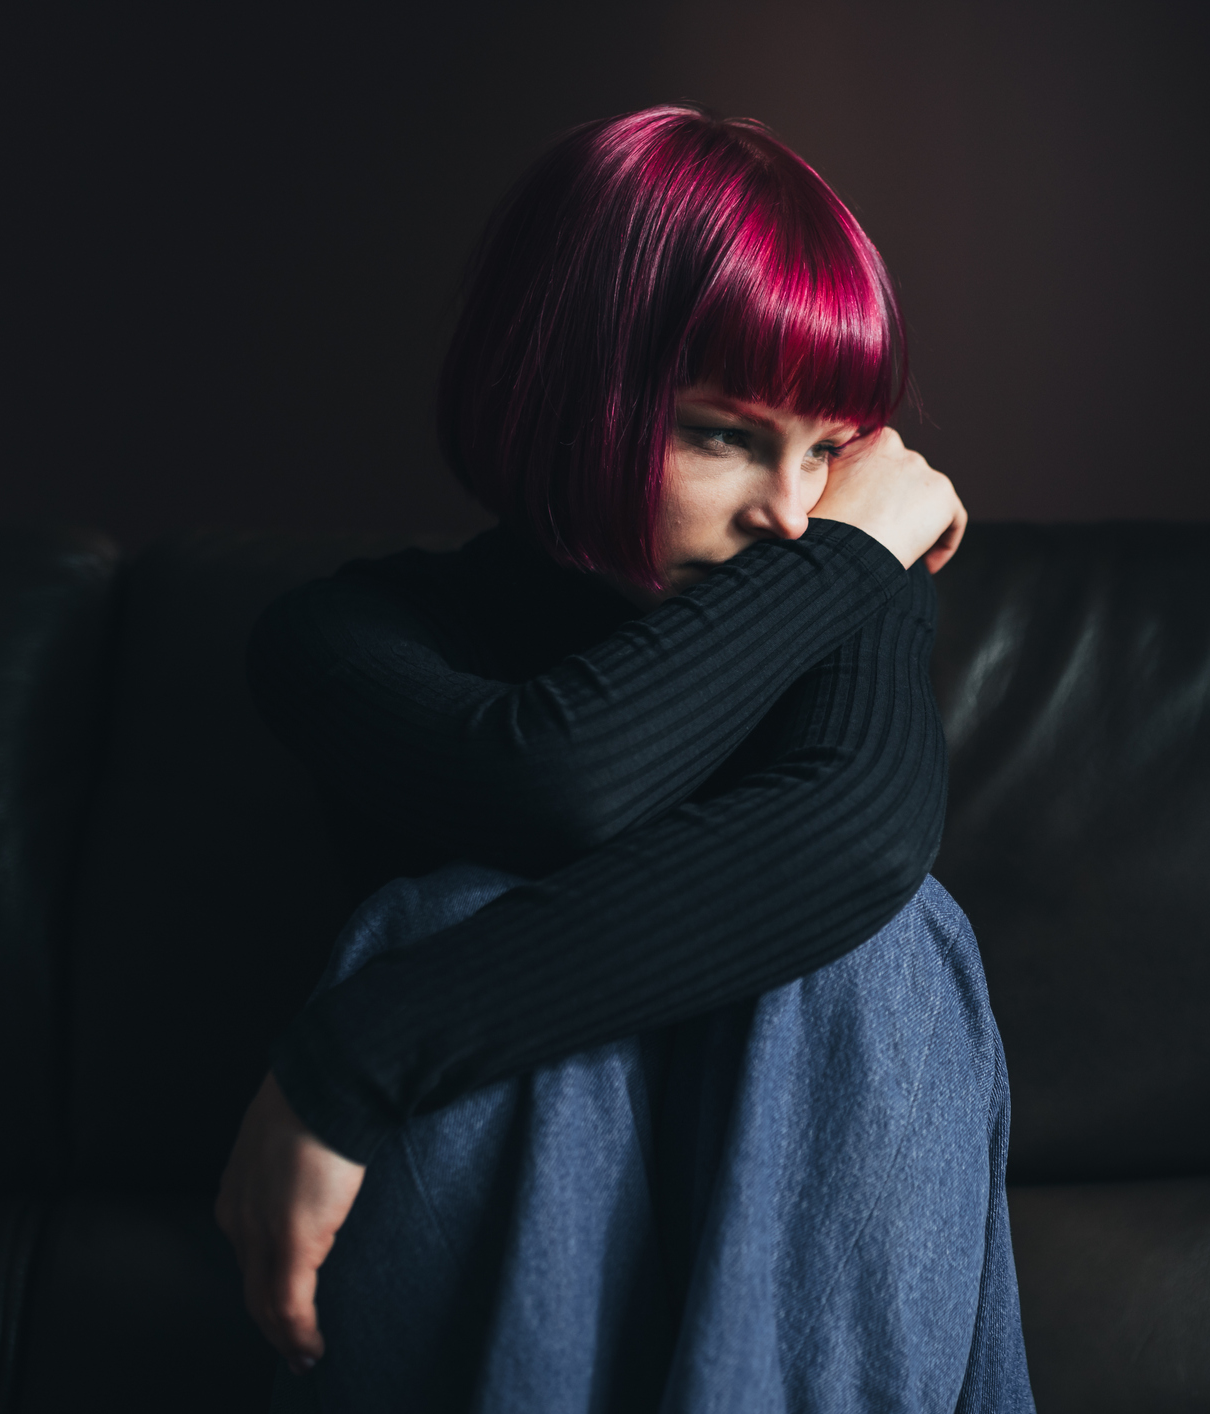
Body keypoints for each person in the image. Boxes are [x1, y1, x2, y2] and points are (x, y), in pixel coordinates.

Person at [214, 105, 1036, 1413]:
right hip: (498, 1308)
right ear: (561, 397)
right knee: (445, 910)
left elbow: (857, 840)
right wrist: (368, 1053)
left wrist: (350, 1058)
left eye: (829, 451)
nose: (787, 512)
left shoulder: (842, 586)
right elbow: (548, 781)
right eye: (723, 433)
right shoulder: (345, 638)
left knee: (882, 936)